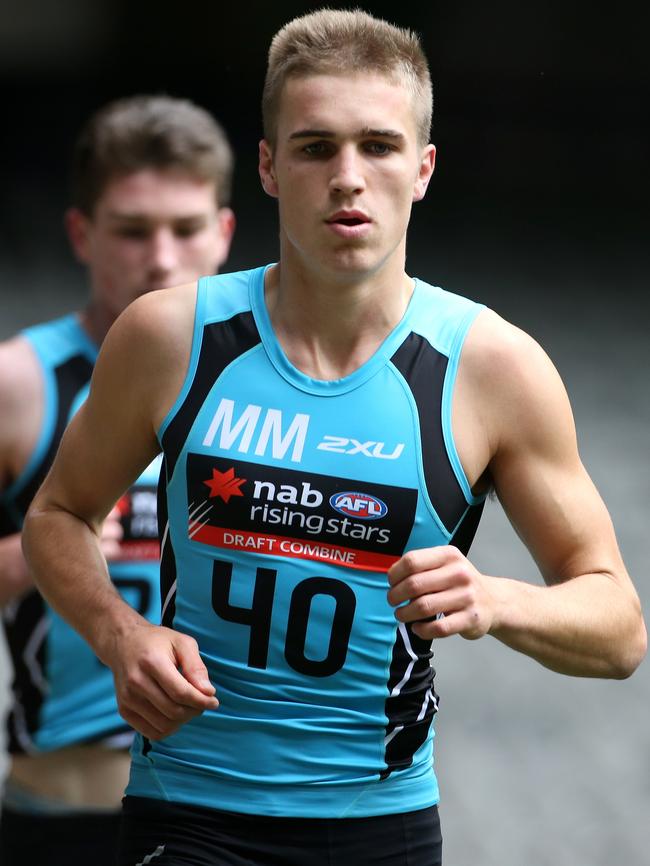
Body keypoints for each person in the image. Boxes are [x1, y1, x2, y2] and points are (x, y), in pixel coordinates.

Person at [22, 10, 646, 866]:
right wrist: (119, 634)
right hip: (190, 811)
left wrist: (499, 602)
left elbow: (620, 629)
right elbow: (57, 515)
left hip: (380, 826)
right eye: (315, 148)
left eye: (379, 147)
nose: (348, 178)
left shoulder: (494, 368)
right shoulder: (171, 336)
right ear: (270, 169)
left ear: (423, 168)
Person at [0, 94, 235, 865]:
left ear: (225, 232)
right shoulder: (21, 384)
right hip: (66, 815)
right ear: (82, 233)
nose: (162, 258)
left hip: (242, 816)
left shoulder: (282, 383)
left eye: (187, 228)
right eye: (134, 231)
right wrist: (47, 547)